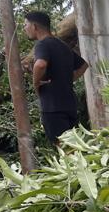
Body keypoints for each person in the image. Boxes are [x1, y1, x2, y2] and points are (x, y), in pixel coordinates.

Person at [23, 10, 86, 139]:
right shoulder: (62, 45)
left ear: (34, 26)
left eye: (26, 25)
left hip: (53, 107)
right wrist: (68, 79)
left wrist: (36, 83)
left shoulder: (42, 44)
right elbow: (83, 65)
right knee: (73, 145)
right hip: (70, 105)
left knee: (62, 147)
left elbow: (40, 64)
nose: (25, 29)